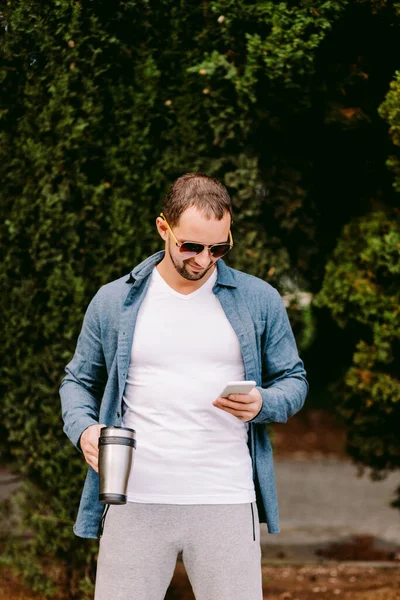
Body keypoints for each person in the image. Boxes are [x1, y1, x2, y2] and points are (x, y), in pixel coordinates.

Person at [60, 172, 308, 600]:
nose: (204, 259)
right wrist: (84, 429)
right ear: (163, 228)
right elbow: (77, 380)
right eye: (191, 246)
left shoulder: (259, 300)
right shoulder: (114, 301)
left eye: (219, 247)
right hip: (133, 501)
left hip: (226, 500)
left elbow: (294, 380)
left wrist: (263, 402)